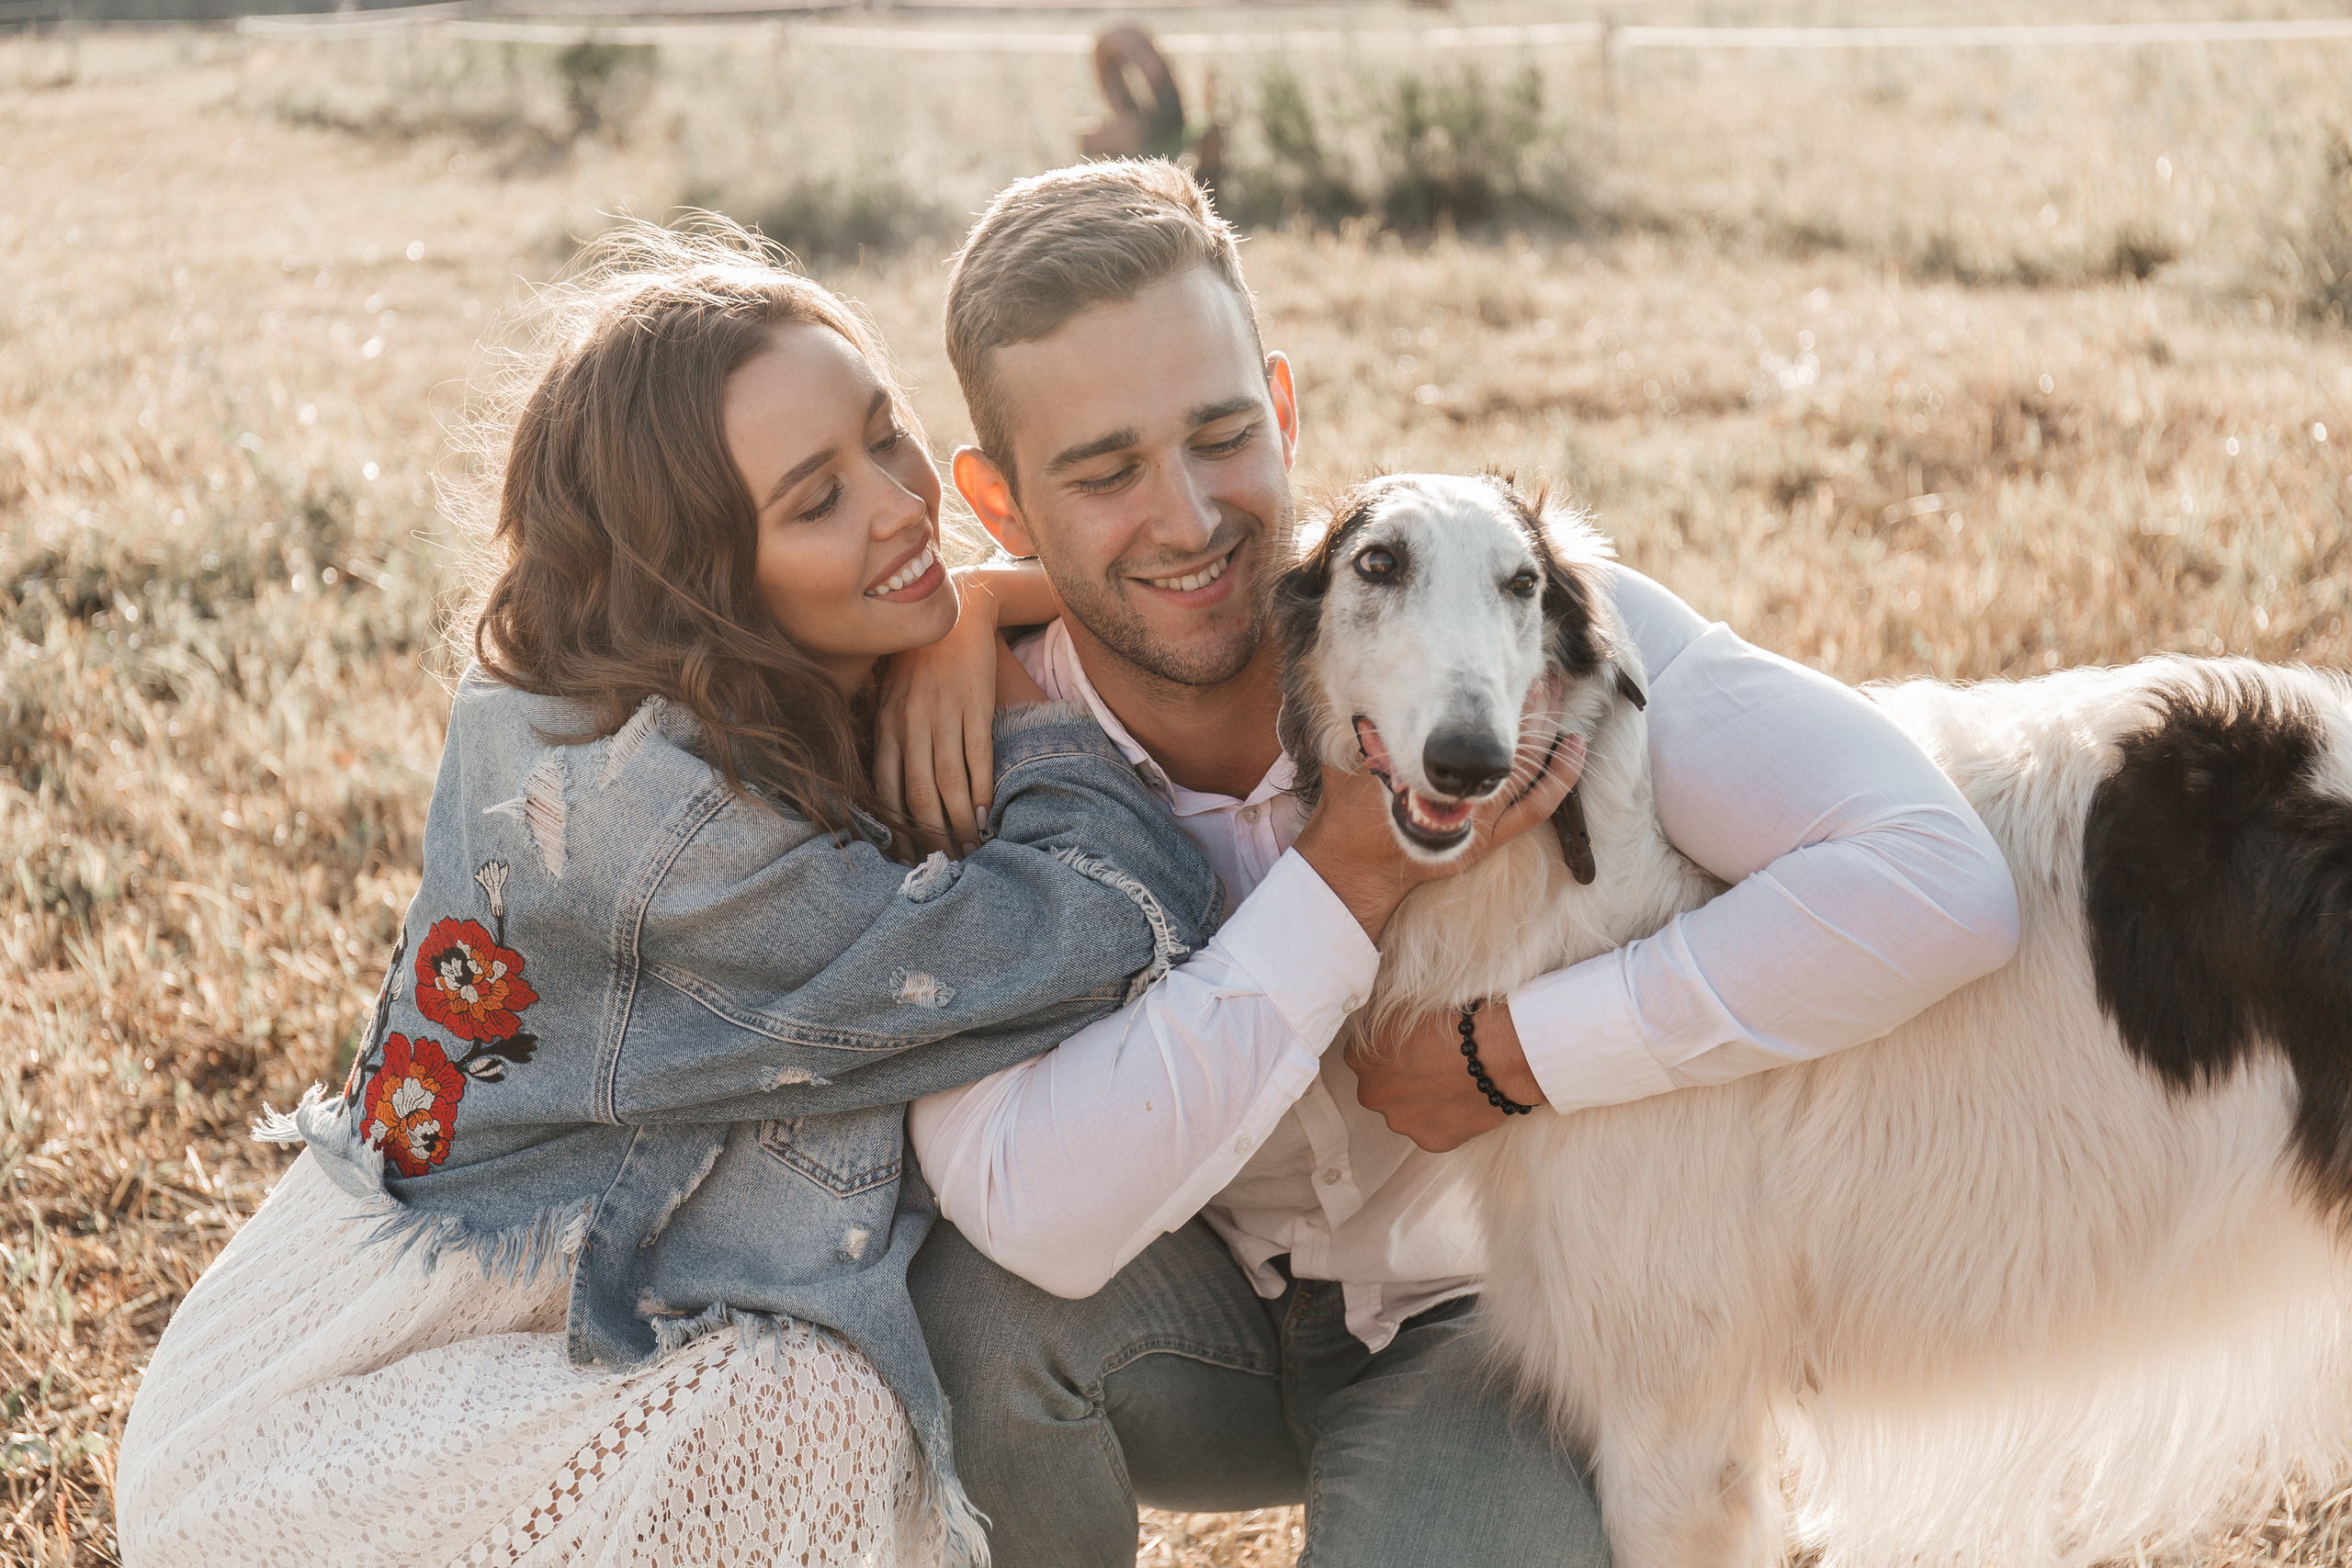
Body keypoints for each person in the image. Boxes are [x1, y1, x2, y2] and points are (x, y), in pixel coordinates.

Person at [113, 220, 1566, 1568]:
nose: (897, 509)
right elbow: (1105, 915)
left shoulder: (772, 680)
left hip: (580, 1302)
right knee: (833, 1408)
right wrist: (1023, 664)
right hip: (390, 1399)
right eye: (819, 500)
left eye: (886, 437)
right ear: (709, 583)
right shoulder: (655, 833)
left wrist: (1004, 594)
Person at [883, 160, 2024, 1567]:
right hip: (1173, 1309)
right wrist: (1349, 875)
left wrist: (1514, 1051)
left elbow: (1934, 885)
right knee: (965, 1316)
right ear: (1000, 504)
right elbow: (1026, 1215)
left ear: (1285, 409)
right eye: (1105, 472)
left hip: (1486, 1330)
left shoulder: (1529, 644)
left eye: (1224, 435)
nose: (1188, 521)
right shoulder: (959, 738)